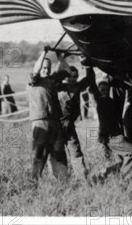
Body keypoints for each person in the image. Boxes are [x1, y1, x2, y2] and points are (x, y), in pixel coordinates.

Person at [87, 69, 132, 179]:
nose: (103, 91)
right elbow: (91, 85)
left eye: (105, 89)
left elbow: (120, 91)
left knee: (121, 159)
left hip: (115, 135)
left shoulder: (112, 102)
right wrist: (89, 68)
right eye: (101, 89)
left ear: (109, 89)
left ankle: (108, 175)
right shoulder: (98, 101)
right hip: (111, 137)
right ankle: (125, 177)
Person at [28, 48, 70, 181]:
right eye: (44, 68)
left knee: (58, 153)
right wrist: (44, 53)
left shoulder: (52, 80)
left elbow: (68, 71)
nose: (46, 70)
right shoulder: (34, 80)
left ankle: (62, 182)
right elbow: (36, 70)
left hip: (55, 122)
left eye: (48, 68)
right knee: (40, 153)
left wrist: (59, 56)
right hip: (41, 121)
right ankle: (34, 181)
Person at [57, 65, 90, 177]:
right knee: (59, 154)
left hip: (70, 126)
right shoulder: (58, 86)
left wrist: (86, 64)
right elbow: (56, 76)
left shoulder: (78, 86)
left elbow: (90, 78)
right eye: (69, 76)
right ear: (65, 77)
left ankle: (82, 179)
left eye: (75, 77)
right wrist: (61, 62)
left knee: (76, 152)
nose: (72, 79)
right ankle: (62, 180)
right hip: (57, 125)